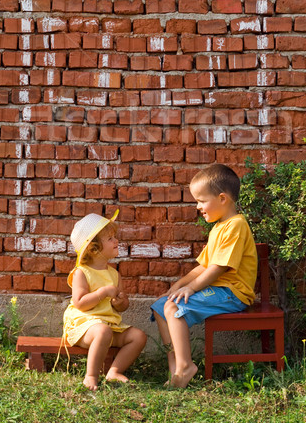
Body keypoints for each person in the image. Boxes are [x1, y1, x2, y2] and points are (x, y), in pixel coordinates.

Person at [151, 163, 257, 388]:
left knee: (173, 308)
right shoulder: (219, 227)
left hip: (232, 293)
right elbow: (203, 266)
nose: (198, 206)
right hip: (218, 290)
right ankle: (176, 370)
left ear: (222, 199)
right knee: (161, 307)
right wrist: (179, 284)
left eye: (201, 200)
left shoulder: (236, 225)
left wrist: (191, 289)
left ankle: (186, 366)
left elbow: (219, 268)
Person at [63, 210, 147, 391]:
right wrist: (102, 293)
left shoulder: (114, 274)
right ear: (93, 249)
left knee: (138, 336)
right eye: (110, 238)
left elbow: (123, 306)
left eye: (115, 237)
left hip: (110, 325)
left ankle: (114, 371)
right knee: (102, 331)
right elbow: (80, 302)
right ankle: (91, 375)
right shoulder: (81, 272)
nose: (116, 241)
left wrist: (120, 302)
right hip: (85, 327)